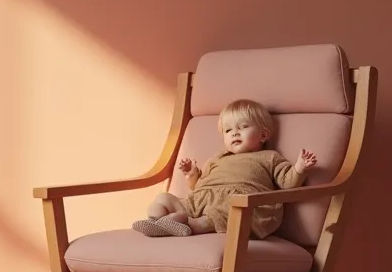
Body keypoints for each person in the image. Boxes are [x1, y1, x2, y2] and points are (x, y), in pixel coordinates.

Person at [131, 98, 316, 239]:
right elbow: (199, 187)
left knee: (220, 213)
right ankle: (157, 222)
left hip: (240, 204)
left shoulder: (270, 157)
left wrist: (299, 168)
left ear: (263, 135)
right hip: (204, 199)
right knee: (163, 199)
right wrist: (192, 175)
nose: (234, 133)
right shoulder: (217, 159)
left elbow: (287, 184)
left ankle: (189, 225)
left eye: (243, 127)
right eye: (228, 130)